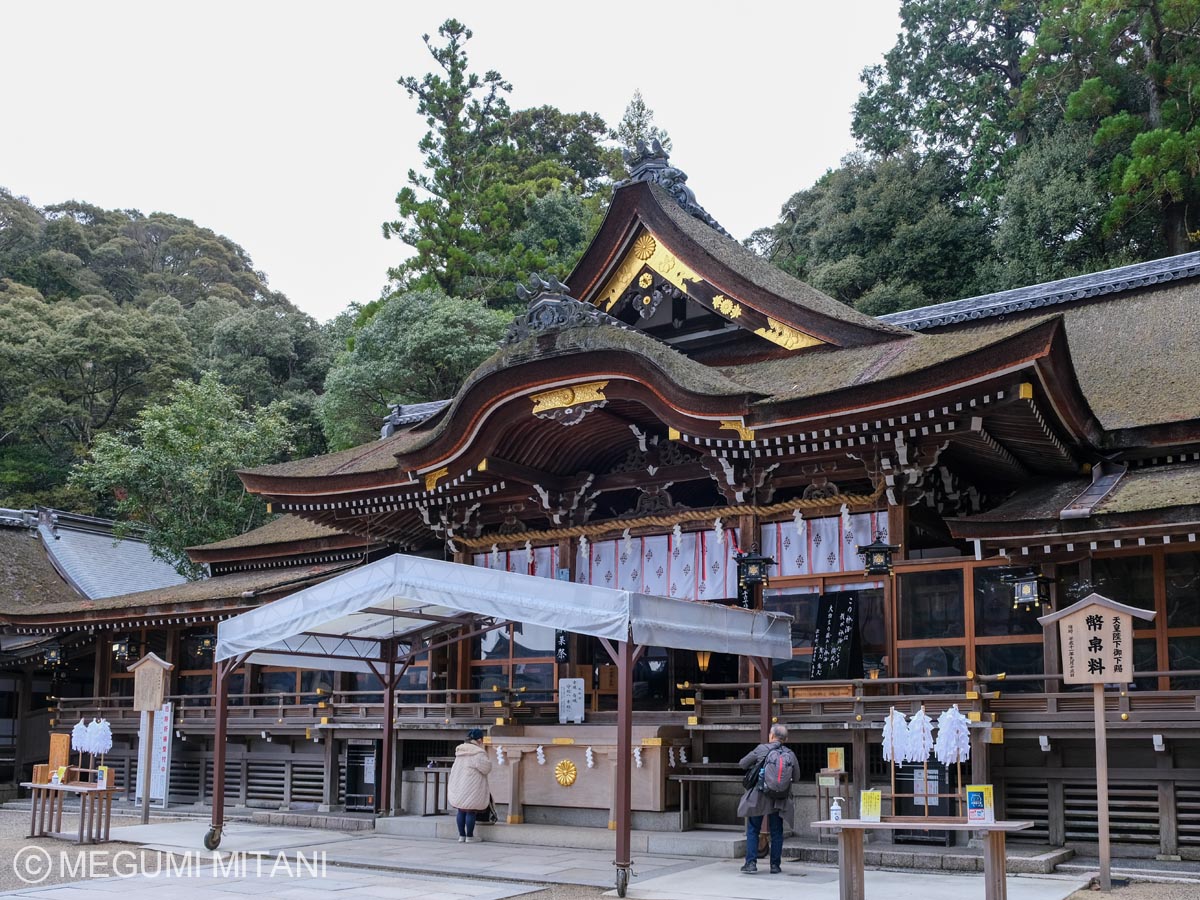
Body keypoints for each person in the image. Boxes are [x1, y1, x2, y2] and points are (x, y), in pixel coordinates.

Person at [737, 723, 798, 874]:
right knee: (777, 831)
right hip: (779, 799)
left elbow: (742, 763)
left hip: (759, 796)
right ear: (786, 739)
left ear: (771, 736)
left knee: (753, 829)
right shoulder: (790, 754)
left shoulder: (762, 749)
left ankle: (751, 864)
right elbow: (796, 777)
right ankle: (775, 866)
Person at [447, 727, 492, 843]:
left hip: (459, 784)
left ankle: (461, 836)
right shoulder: (478, 753)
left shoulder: (460, 751)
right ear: (479, 740)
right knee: (470, 810)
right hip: (472, 785)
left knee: (461, 810)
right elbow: (486, 768)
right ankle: (470, 836)